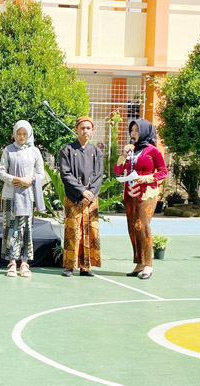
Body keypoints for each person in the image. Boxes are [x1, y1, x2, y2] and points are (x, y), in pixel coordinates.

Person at [114, 119, 168, 280]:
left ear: (144, 132)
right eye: (132, 131)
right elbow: (117, 169)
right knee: (132, 228)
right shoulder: (131, 151)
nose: (134, 134)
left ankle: (148, 264)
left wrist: (147, 178)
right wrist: (123, 155)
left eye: (137, 130)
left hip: (146, 193)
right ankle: (139, 261)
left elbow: (163, 172)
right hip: (130, 193)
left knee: (142, 226)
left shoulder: (153, 151)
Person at [0, 120, 46, 278]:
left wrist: (30, 180)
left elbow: (41, 173)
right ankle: (12, 262)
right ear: (14, 134)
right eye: (19, 133)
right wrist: (17, 180)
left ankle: (24, 263)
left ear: (29, 134)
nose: (22, 136)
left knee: (26, 230)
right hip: (10, 197)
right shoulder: (8, 150)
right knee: (11, 228)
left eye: (25, 133)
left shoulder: (35, 151)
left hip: (28, 197)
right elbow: (2, 173)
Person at [59, 116, 103, 277]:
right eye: (82, 128)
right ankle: (69, 266)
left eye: (88, 128)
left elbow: (99, 175)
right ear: (76, 130)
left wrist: (90, 193)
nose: (85, 131)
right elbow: (66, 174)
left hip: (91, 199)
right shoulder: (67, 151)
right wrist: (81, 191)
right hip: (74, 197)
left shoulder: (96, 152)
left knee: (89, 230)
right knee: (73, 231)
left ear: (92, 131)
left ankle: (86, 266)